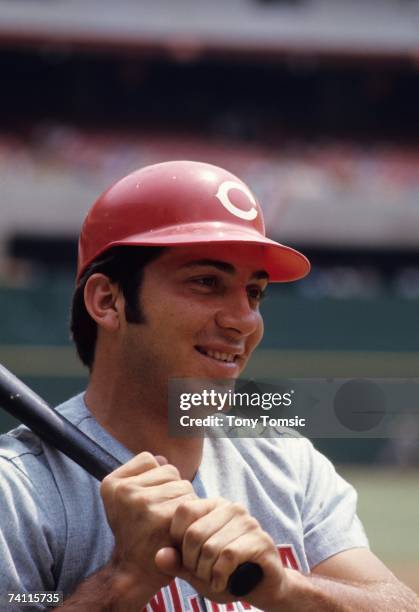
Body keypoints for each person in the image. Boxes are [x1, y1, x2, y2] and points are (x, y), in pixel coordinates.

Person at [0, 160, 418, 612]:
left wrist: (284, 588)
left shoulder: (288, 465)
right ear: (108, 300)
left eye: (254, 293)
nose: (244, 320)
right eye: (206, 282)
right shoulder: (19, 492)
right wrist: (123, 580)